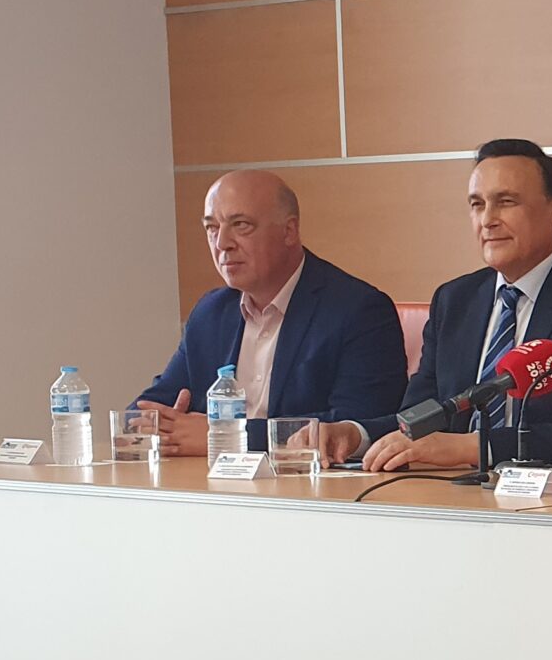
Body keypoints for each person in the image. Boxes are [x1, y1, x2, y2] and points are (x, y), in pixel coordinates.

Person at [324, 139, 552, 471]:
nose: (487, 220)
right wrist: (356, 435)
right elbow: (419, 419)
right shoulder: (454, 300)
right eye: (477, 205)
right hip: (447, 490)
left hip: (548, 495)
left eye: (506, 202)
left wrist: (473, 447)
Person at [134, 170, 406, 454]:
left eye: (241, 225)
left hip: (304, 479)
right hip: (208, 478)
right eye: (212, 228)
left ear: (289, 231)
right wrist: (147, 427)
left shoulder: (359, 310)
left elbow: (358, 426)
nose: (222, 243)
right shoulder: (210, 312)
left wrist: (227, 436)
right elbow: (155, 404)